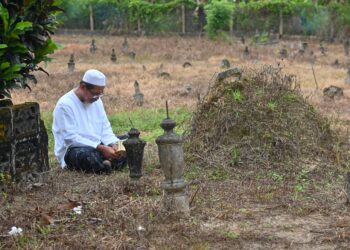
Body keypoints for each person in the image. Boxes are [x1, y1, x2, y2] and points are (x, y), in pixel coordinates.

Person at [52, 69, 127, 174]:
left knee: (130, 142)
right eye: (95, 94)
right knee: (88, 156)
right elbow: (70, 139)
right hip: (76, 149)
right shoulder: (65, 105)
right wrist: (100, 148)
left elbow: (105, 127)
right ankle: (108, 163)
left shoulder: (97, 101)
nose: (97, 98)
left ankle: (106, 164)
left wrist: (112, 143)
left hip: (99, 145)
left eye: (100, 94)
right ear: (83, 87)